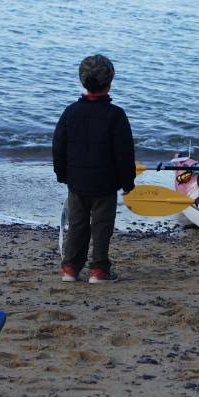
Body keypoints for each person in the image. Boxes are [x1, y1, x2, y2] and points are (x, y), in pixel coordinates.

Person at [52, 54, 135, 284]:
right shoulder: (116, 115)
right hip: (105, 185)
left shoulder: (71, 112)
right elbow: (125, 153)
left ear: (82, 81)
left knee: (77, 225)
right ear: (110, 82)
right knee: (102, 226)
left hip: (77, 182)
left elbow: (58, 145)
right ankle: (99, 270)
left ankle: (70, 268)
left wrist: (62, 174)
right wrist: (128, 183)